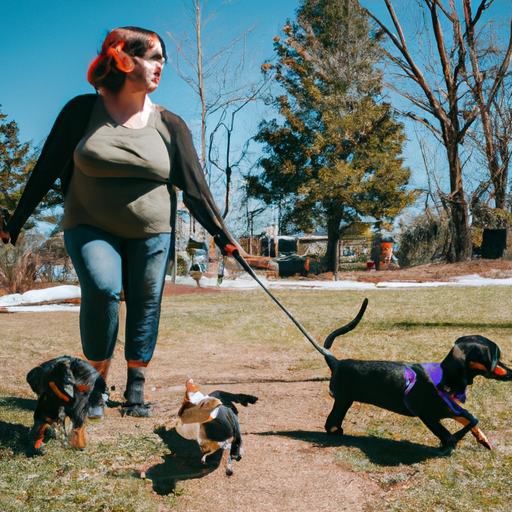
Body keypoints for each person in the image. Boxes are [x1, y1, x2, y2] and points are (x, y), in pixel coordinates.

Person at [3, 27, 238, 418]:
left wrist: (224, 238)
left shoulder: (169, 124)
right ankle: (94, 386)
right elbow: (45, 169)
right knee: (102, 288)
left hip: (153, 232)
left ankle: (136, 388)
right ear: (124, 60)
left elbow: (196, 189)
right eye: (153, 56)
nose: (162, 64)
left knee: (146, 303)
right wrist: (16, 220)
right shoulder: (82, 111)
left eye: (163, 57)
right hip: (89, 224)